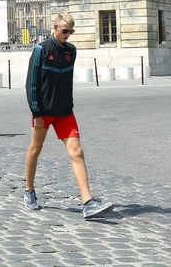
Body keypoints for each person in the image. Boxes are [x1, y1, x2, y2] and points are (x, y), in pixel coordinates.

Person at [24, 13, 114, 219]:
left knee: (77, 152)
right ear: (55, 28)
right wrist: (36, 112)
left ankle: (88, 202)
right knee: (35, 149)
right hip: (44, 112)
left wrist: (69, 105)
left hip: (64, 112)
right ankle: (29, 190)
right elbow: (31, 84)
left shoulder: (71, 51)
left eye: (71, 31)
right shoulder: (41, 50)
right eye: (65, 31)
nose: (68, 35)